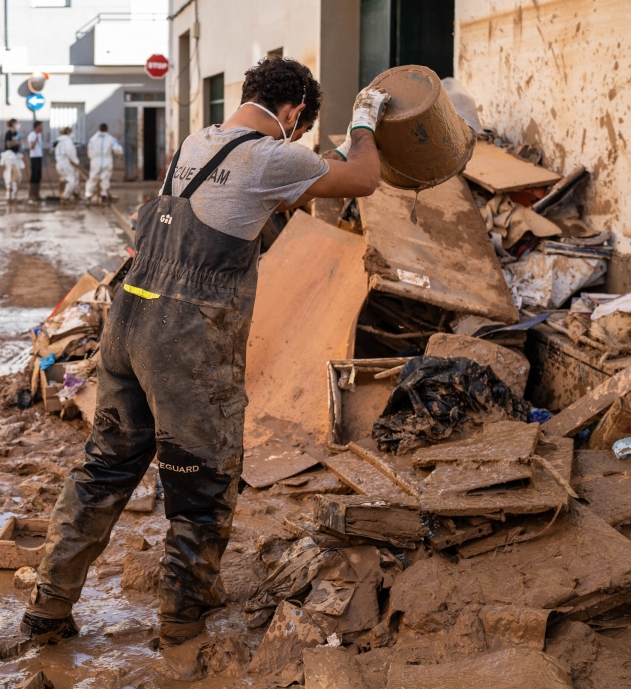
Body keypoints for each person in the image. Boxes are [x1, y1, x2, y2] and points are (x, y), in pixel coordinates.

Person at [20, 57, 388, 673]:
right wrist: (364, 123)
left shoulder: (198, 143)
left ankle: (47, 609)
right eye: (299, 126)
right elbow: (366, 179)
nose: (296, 136)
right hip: (184, 339)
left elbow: (267, 201)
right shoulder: (272, 157)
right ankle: (181, 627)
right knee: (201, 485)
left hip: (128, 320)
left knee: (104, 470)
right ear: (294, 112)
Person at [85, 123, 123, 203]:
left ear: (99, 129)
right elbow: (118, 150)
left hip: (95, 161)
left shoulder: (93, 139)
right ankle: (103, 194)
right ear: (107, 129)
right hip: (107, 161)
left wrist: (93, 158)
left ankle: (88, 195)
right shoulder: (111, 139)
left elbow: (89, 151)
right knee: (105, 178)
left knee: (93, 178)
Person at [53, 127, 81, 202]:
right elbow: (70, 152)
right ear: (68, 132)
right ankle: (65, 196)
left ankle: (75, 193)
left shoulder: (59, 142)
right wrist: (76, 162)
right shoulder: (68, 141)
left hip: (59, 164)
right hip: (66, 164)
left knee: (65, 179)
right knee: (71, 180)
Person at [26, 120, 45, 201]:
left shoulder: (39, 135)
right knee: (34, 176)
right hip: (34, 157)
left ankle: (37, 194)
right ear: (37, 126)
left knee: (38, 176)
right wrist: (36, 139)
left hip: (39, 156)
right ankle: (32, 194)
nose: (42, 127)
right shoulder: (32, 135)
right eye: (41, 126)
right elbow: (31, 147)